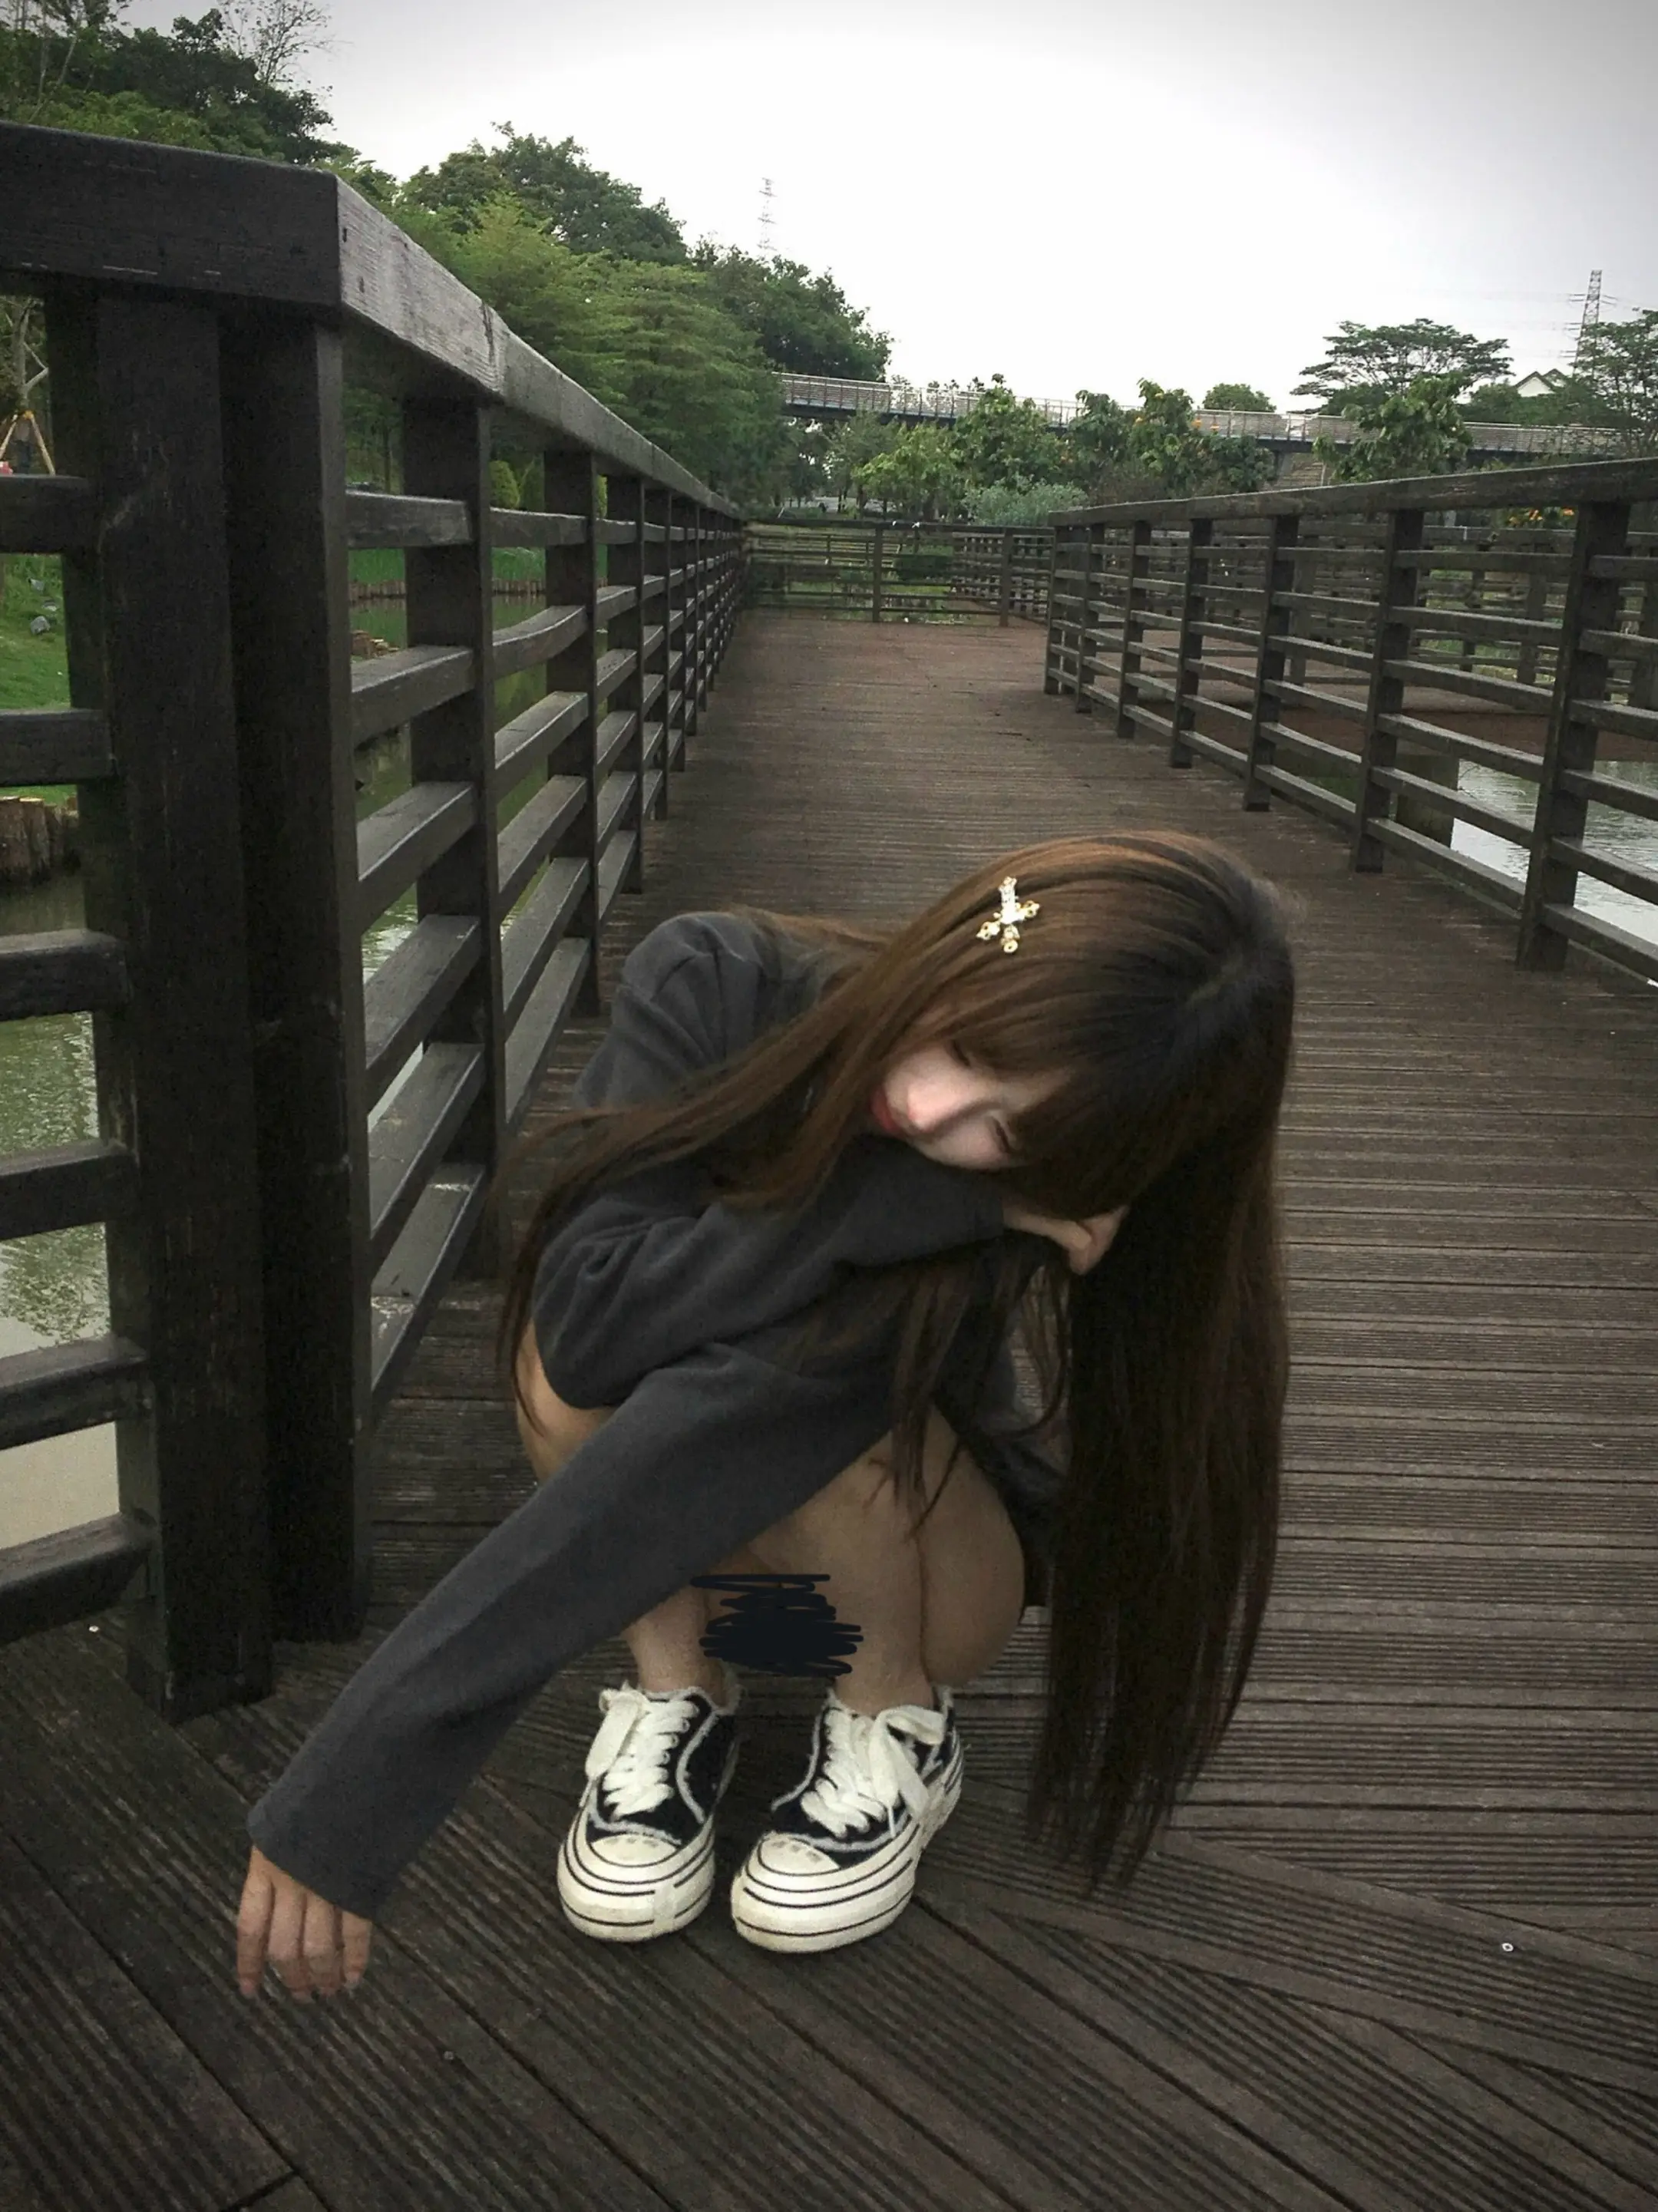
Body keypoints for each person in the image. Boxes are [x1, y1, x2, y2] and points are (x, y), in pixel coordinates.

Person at [235, 830, 1296, 2000]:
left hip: (929, 1585)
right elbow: (590, 1321)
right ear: (965, 939)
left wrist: (378, 1750)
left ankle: (892, 1716)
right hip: (751, 1585)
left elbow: (749, 1408)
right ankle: (682, 1688)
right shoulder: (716, 981)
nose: (929, 1108)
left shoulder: (1042, 1195)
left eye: (1006, 1130)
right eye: (967, 1044)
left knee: (800, 1375)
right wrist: (899, 1199)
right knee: (563, 1370)